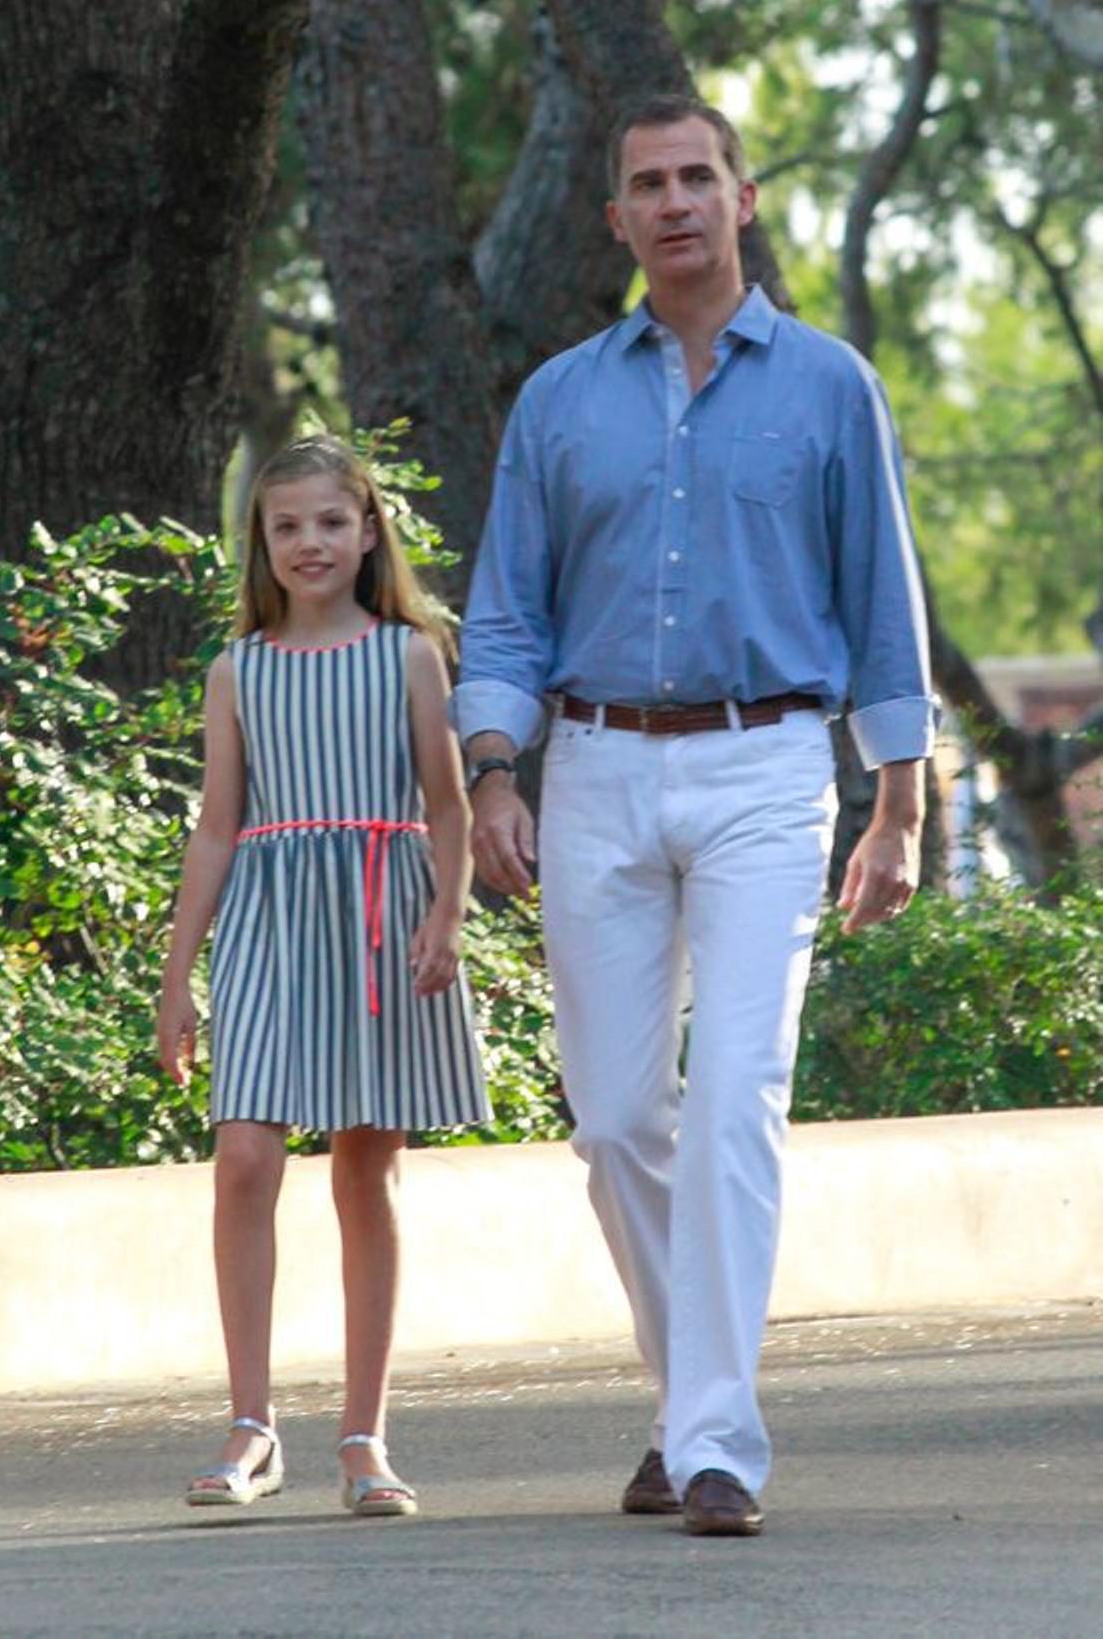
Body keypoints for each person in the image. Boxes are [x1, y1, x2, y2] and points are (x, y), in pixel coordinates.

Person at [453, 94, 937, 1538]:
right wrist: (493, 771)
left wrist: (898, 804)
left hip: (767, 769)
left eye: (697, 178)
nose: (673, 203)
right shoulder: (559, 399)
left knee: (734, 1097)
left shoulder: (830, 385)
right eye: (646, 185)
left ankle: (717, 1445)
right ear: (616, 219)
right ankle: (687, 1399)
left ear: (741, 198)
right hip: (593, 768)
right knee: (611, 1122)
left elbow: (883, 604)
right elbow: (507, 610)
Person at [158, 435, 488, 1515]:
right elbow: (215, 829)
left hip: (382, 917)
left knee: (364, 1169)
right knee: (245, 1156)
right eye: (287, 525)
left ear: (367, 533)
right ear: (260, 541)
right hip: (267, 917)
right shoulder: (236, 670)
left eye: (331, 522)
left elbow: (448, 804)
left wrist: (447, 910)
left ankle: (364, 1438)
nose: (310, 543)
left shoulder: (408, 655)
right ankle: (252, 1427)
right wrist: (177, 978)